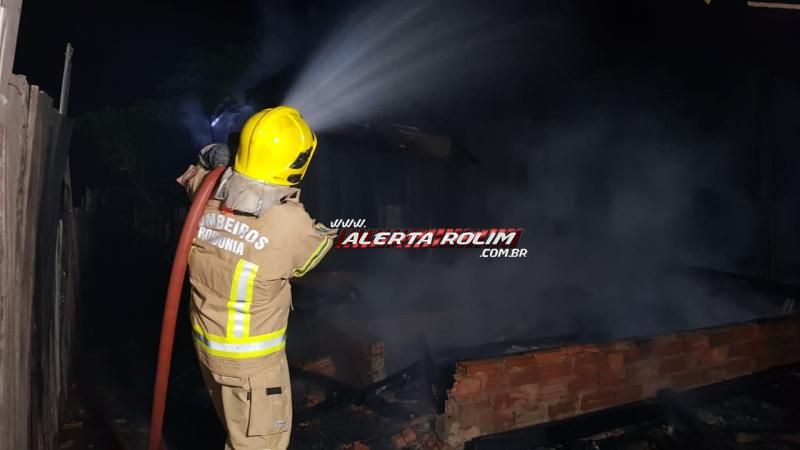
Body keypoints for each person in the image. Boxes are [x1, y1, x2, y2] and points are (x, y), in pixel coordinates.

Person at [176, 106, 336, 450]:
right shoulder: (291, 224)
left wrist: (211, 158)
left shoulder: (208, 189)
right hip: (253, 369)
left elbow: (193, 176)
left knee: (235, 430)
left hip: (208, 348)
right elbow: (309, 259)